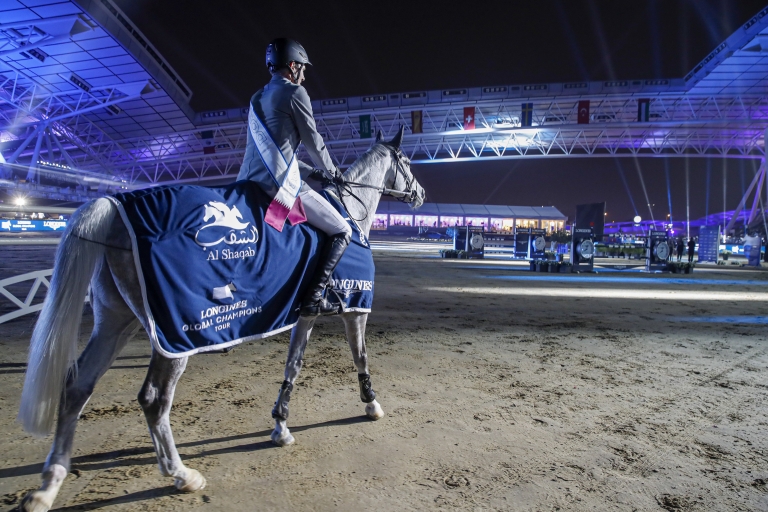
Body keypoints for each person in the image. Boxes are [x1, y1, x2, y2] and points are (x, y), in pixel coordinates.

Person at [238, 38, 352, 317]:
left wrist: (310, 172)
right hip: (277, 189)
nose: (304, 74)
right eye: (302, 68)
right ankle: (313, 297)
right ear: (292, 66)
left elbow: (273, 152)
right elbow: (314, 142)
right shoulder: (296, 94)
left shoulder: (257, 97)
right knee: (342, 230)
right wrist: (332, 173)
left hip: (245, 183)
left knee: (303, 231)